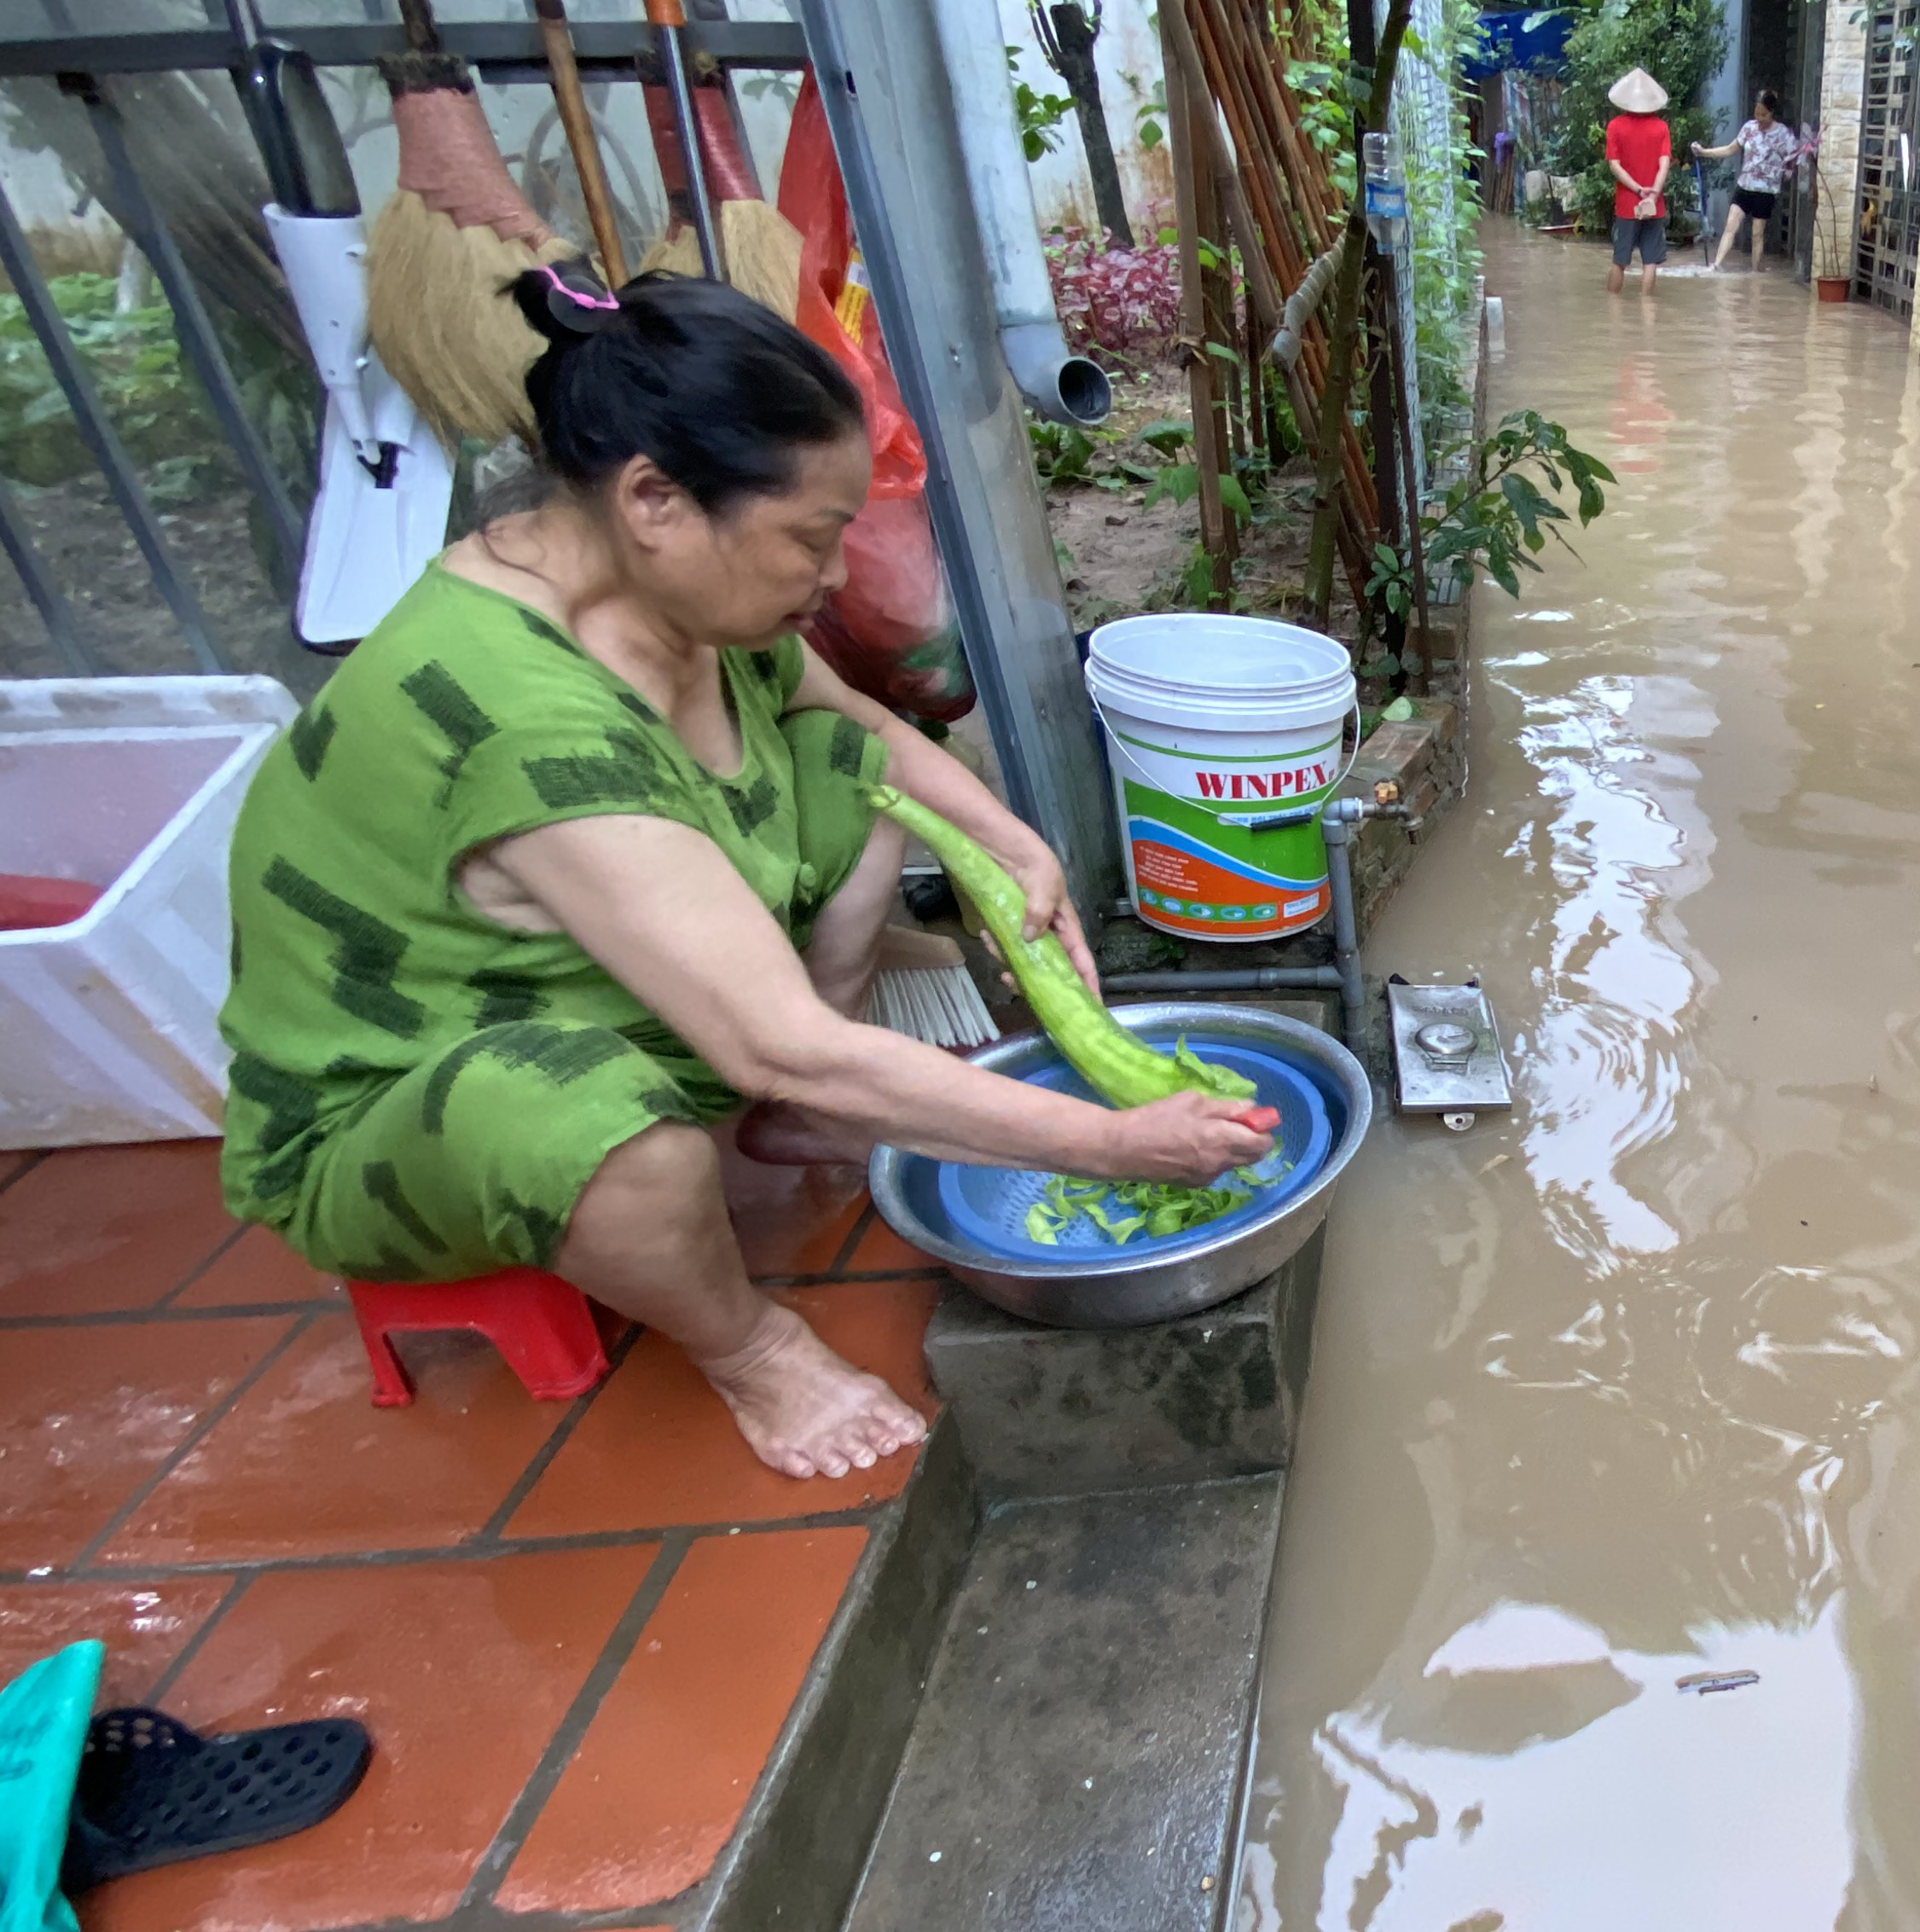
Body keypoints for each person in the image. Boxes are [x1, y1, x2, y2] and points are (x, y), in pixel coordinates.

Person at [215, 270, 1271, 1481]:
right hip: (404, 1107)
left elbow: (862, 730)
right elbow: (774, 1039)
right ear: (656, 499)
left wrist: (1017, 847)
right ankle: (750, 1350)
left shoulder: (652, 592)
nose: (833, 577)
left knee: (842, 773)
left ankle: (788, 1118)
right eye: (813, 537)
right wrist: (1112, 1142)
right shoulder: (527, 718)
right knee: (615, 1138)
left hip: (624, 994)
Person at [1693, 91, 1801, 274]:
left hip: (1766, 191)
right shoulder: (1749, 128)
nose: (1759, 118)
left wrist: (1789, 172)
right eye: (1756, 114)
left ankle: (1755, 273)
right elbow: (1729, 150)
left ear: (1772, 112)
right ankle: (1716, 265)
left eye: (1763, 115)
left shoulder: (1783, 134)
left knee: (1757, 234)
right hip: (1745, 187)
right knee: (1730, 226)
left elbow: (1797, 156)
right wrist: (1703, 152)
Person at [1603, 67, 1673, 296]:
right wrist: (1653, 193)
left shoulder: (1615, 126)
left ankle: (1612, 309)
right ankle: (1647, 311)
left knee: (1620, 259)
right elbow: (1664, 164)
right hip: (1654, 204)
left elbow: (1614, 165)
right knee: (1650, 261)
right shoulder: (1661, 127)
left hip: (1626, 204)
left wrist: (1636, 189)